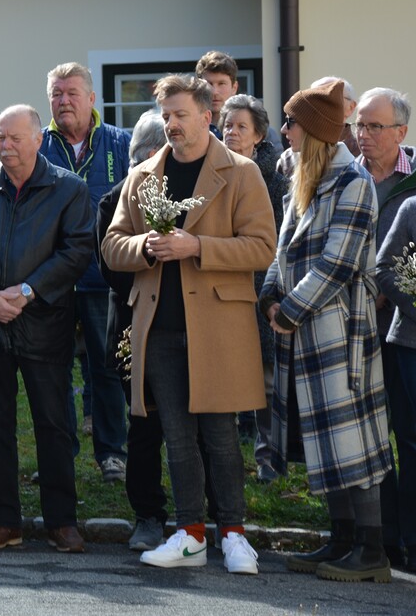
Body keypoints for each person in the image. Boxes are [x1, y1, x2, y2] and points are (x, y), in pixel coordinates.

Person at [102, 74, 275, 575]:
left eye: (180, 115)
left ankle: (234, 534)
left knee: (220, 436)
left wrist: (196, 246)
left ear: (207, 116)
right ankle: (191, 534)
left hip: (218, 326)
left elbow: (262, 247)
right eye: (166, 116)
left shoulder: (241, 172)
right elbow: (112, 246)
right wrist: (147, 246)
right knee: (177, 437)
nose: (171, 124)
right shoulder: (144, 175)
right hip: (158, 326)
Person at [260, 79, 393, 583]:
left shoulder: (353, 183)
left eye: (291, 122)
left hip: (340, 332)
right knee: (325, 437)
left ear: (313, 130)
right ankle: (341, 540)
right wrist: (269, 295)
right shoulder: (304, 177)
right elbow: (282, 249)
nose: (284, 131)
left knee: (351, 437)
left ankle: (371, 549)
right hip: (304, 330)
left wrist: (288, 310)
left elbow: (337, 265)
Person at [0, 104, 93, 554]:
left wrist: (29, 291)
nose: (6, 146)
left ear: (38, 140)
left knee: (54, 424)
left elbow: (77, 250)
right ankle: (3, 521)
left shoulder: (68, 189)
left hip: (45, 324)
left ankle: (61, 521)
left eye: (15, 138)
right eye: (0, 137)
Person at [39, 61, 130, 482]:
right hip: (52, 280)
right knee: (53, 371)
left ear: (92, 99)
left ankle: (112, 453)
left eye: (72, 93)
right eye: (56, 94)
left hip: (101, 278)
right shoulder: (38, 145)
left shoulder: (119, 143)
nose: (64, 101)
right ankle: (59, 455)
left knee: (106, 367)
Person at [95, 110, 170, 551]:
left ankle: (209, 516)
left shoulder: (186, 199)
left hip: (184, 330)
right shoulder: (114, 201)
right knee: (143, 426)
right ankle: (148, 514)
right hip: (132, 332)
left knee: (198, 427)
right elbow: (113, 271)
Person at [352, 87, 416, 571]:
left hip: (398, 328)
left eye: (375, 126)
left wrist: (397, 300)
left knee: (407, 435)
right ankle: (382, 537)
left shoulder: (412, 182)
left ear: (401, 131)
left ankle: (406, 538)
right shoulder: (345, 177)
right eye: (360, 125)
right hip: (351, 323)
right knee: (368, 436)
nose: (364, 135)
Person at [221, 94, 289, 483]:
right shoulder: (212, 172)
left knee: (266, 380)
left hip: (262, 285)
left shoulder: (274, 179)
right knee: (223, 376)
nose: (231, 132)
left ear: (259, 135)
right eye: (227, 125)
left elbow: (279, 239)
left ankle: (269, 459)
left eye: (241, 126)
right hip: (221, 286)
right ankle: (225, 458)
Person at [375, 191, 416, 575]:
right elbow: (384, 267)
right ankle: (410, 541)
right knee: (411, 443)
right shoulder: (412, 208)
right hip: (410, 345)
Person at [277, 76, 360, 176]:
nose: (317, 105)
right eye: (313, 96)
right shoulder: (287, 160)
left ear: (351, 107)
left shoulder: (362, 152)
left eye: (327, 99)